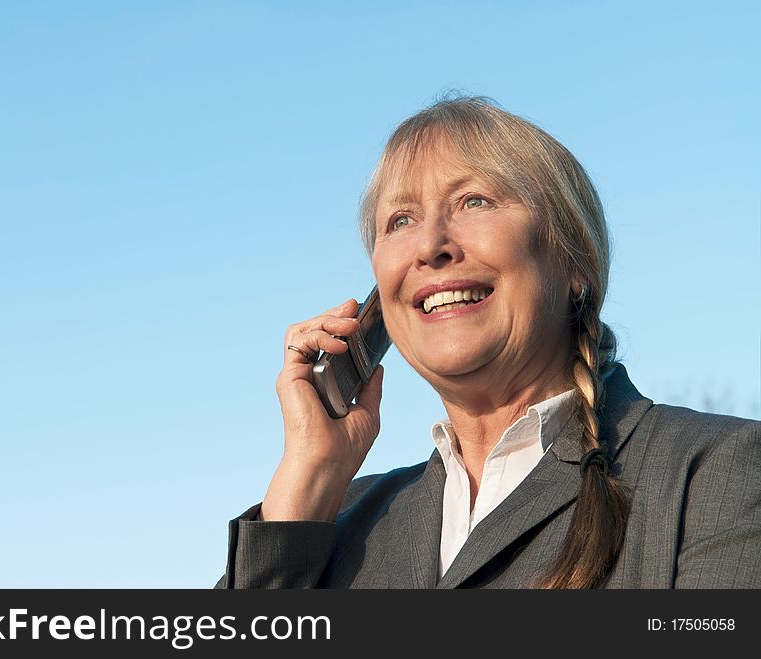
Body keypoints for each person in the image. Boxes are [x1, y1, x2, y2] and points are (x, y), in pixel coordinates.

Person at [217, 96, 761, 589]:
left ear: (574, 263)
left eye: (474, 201)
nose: (430, 246)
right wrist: (306, 482)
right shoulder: (333, 526)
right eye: (400, 219)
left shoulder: (713, 472)